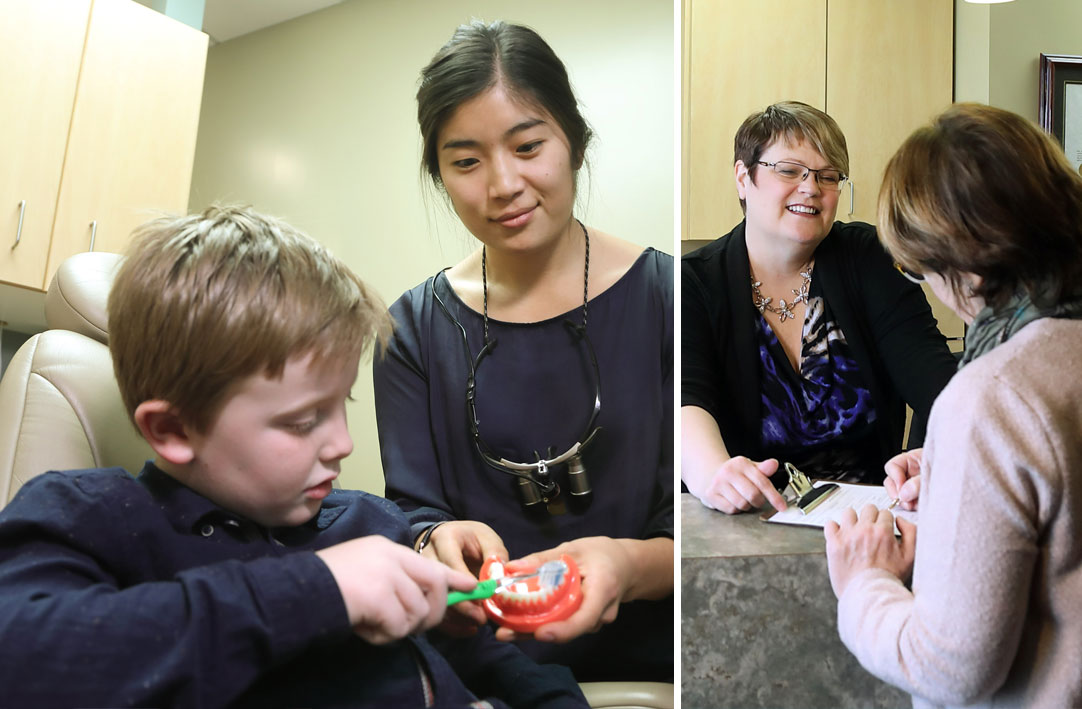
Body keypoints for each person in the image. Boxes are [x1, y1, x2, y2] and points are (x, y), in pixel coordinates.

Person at [0, 206, 588, 708]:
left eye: (340, 407)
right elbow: (23, 658)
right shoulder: (93, 519)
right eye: (303, 421)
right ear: (174, 428)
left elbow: (488, 661)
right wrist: (321, 589)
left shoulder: (367, 525)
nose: (342, 444)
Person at [373, 21, 673, 682]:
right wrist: (432, 540)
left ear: (575, 142)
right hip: (485, 668)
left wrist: (629, 566)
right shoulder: (410, 331)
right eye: (466, 160)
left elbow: (705, 516)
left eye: (528, 145)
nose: (502, 183)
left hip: (659, 659)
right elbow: (412, 511)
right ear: (440, 174)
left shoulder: (671, 298)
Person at [824, 103, 1082, 708]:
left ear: (962, 260)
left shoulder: (995, 393)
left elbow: (946, 666)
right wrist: (955, 472)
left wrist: (865, 582)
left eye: (920, 270)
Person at [682, 101, 958, 514]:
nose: (811, 188)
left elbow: (932, 376)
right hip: (748, 517)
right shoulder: (695, 281)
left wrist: (945, 455)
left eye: (828, 177)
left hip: (868, 514)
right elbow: (688, 399)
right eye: (790, 171)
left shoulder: (869, 257)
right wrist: (712, 474)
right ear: (744, 177)